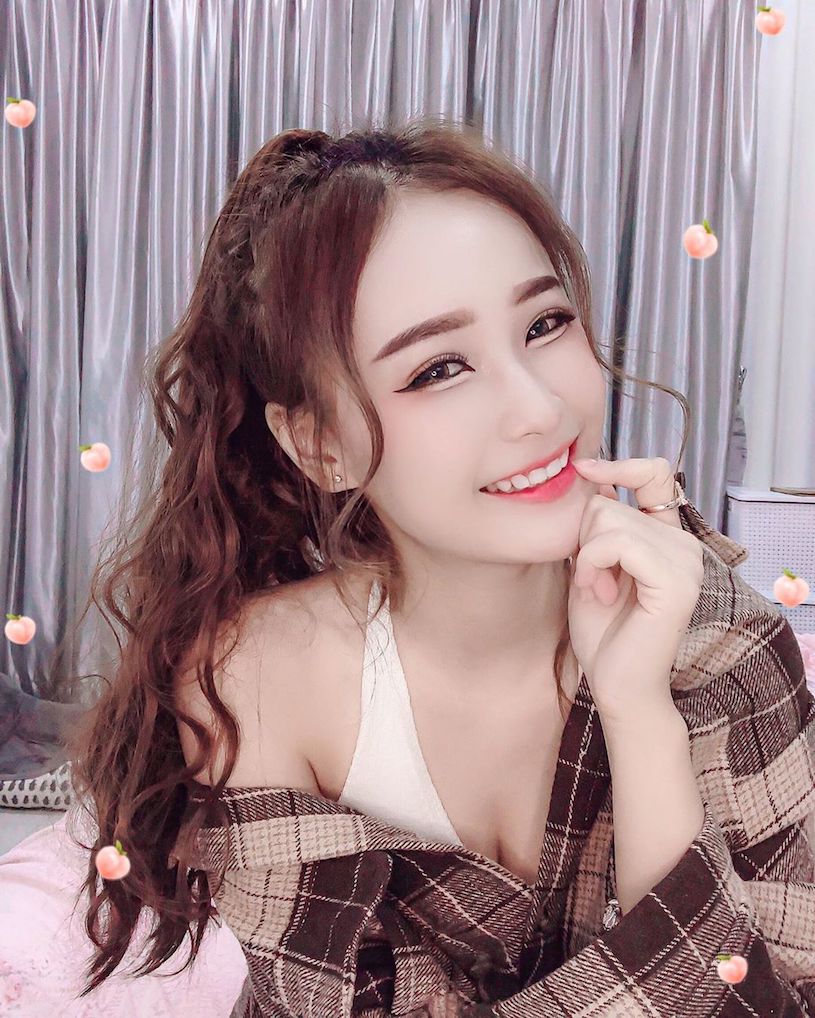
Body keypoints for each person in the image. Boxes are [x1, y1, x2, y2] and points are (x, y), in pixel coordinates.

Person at [58, 118, 814, 1016]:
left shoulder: (716, 633)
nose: (540, 408)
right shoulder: (255, 676)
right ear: (320, 444)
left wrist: (638, 712)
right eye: (438, 369)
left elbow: (774, 994)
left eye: (545, 324)